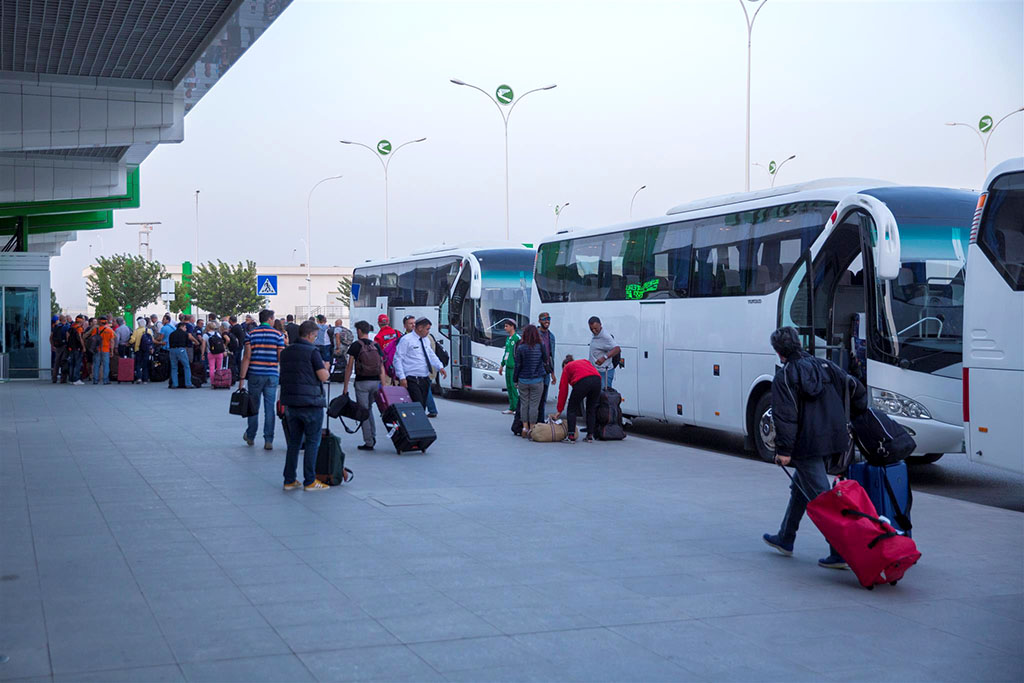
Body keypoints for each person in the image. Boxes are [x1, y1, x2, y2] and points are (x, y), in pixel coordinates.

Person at [762, 326, 867, 570]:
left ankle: (839, 552)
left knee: (824, 499)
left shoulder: (785, 376)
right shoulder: (825, 366)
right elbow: (855, 388)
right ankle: (785, 538)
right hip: (833, 439)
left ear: (779, 352)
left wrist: (784, 452)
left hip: (807, 445)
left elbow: (785, 417)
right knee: (800, 488)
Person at [279, 319, 332, 491]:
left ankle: (289, 479)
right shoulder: (312, 352)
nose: (316, 339)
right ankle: (310, 480)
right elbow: (323, 376)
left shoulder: (286, 352)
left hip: (291, 403)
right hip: (311, 403)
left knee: (294, 442)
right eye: (315, 336)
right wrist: (326, 367)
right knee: (312, 442)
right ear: (309, 335)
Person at [240, 309, 286, 450]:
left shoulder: (251, 334)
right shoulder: (278, 335)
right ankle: (268, 440)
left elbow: (247, 357)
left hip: (254, 374)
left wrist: (242, 379)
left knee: (253, 407)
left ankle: (251, 435)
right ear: (270, 319)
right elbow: (280, 357)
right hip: (272, 375)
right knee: (269, 408)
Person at [342, 320, 389, 451]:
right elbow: (381, 366)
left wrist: (345, 387)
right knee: (369, 410)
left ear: (359, 331)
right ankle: (372, 436)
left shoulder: (356, 346)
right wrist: (383, 386)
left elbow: (349, 367)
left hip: (362, 382)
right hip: (376, 382)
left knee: (363, 411)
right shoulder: (376, 345)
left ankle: (369, 441)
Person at [392, 317, 446, 407]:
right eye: (427, 329)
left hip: (424, 377)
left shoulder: (425, 340)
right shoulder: (406, 340)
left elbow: (430, 354)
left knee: (422, 405)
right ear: (420, 328)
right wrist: (402, 377)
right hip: (412, 377)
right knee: (418, 404)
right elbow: (398, 359)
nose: (428, 331)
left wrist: (439, 366)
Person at [550, 354, 601, 443]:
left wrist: (559, 409)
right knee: (591, 409)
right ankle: (590, 435)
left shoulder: (567, 368)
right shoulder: (584, 361)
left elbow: (563, 390)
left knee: (571, 408)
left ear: (564, 365)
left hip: (582, 382)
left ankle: (571, 435)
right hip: (597, 380)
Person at [514, 324, 549, 438]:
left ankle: (524, 427)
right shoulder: (540, 345)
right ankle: (532, 428)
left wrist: (515, 379)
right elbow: (545, 359)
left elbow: (518, 365)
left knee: (524, 404)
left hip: (523, 379)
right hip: (537, 380)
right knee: (534, 405)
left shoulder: (521, 347)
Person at [588, 316, 620, 389]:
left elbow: (617, 349)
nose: (593, 331)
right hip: (595, 370)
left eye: (595, 328)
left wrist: (604, 358)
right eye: (591, 329)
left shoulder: (605, 337)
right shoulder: (596, 335)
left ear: (600, 325)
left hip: (604, 372)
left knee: (604, 396)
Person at [536, 312, 557, 423]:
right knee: (536, 397)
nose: (547, 321)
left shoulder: (551, 336)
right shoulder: (535, 334)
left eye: (548, 319)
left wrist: (553, 373)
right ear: (539, 321)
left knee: (544, 396)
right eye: (544, 319)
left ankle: (540, 421)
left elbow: (551, 355)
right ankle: (532, 421)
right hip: (536, 370)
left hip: (546, 371)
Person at [498, 320, 520, 414]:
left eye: (506, 326)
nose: (505, 328)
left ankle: (516, 408)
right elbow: (506, 353)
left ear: (512, 327)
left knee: (514, 388)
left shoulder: (517, 338)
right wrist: (502, 364)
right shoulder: (508, 339)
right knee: (509, 387)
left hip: (514, 367)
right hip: (508, 367)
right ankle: (511, 407)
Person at [88, 316, 116, 385]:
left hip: (97, 349)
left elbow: (92, 339)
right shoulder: (109, 330)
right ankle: (105, 380)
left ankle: (95, 380)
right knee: (106, 365)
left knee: (96, 364)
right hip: (106, 349)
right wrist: (112, 351)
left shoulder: (95, 330)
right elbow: (112, 341)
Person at [167, 322, 193, 389]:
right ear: (181, 327)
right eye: (185, 327)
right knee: (186, 366)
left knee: (174, 367)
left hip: (172, 350)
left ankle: (175, 384)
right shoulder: (185, 334)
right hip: (181, 349)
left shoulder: (172, 334)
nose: (186, 329)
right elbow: (187, 343)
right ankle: (188, 383)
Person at [129, 317, 154, 383]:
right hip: (146, 349)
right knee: (145, 364)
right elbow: (151, 340)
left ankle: (139, 378)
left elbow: (132, 340)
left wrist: (129, 342)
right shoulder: (148, 330)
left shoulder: (136, 331)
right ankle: (145, 379)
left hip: (138, 349)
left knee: (138, 364)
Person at [50, 314, 69, 383]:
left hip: (57, 346)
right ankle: (63, 379)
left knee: (56, 363)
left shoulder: (55, 327)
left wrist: (53, 345)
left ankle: (54, 378)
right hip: (64, 346)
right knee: (64, 362)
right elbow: (67, 336)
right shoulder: (66, 327)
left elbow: (51, 337)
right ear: (65, 320)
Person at [67, 315, 85, 385]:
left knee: (71, 364)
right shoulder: (79, 328)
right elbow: (80, 338)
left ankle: (71, 379)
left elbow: (67, 335)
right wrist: (83, 347)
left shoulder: (72, 327)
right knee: (77, 364)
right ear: (81, 320)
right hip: (77, 348)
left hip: (71, 348)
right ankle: (76, 379)